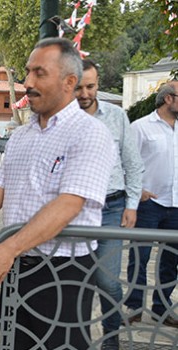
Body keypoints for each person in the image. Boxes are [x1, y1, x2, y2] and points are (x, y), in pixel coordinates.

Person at [0, 37, 116, 349]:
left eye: (39, 73)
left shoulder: (90, 133)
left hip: (63, 273)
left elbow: (69, 204)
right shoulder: (22, 136)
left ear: (69, 81)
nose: (27, 82)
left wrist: (9, 247)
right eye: (27, 72)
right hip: (17, 270)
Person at [75, 58, 144, 348]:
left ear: (98, 85)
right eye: (78, 87)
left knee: (107, 281)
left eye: (90, 86)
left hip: (111, 208)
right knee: (75, 282)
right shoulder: (63, 116)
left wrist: (132, 204)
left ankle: (111, 338)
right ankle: (75, 337)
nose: (84, 93)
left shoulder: (116, 116)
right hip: (72, 211)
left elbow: (133, 162)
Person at [124, 81, 178, 329]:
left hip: (176, 205)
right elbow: (126, 161)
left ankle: (161, 308)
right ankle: (134, 307)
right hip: (149, 203)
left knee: (171, 261)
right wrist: (137, 191)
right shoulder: (141, 127)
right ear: (169, 99)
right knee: (140, 258)